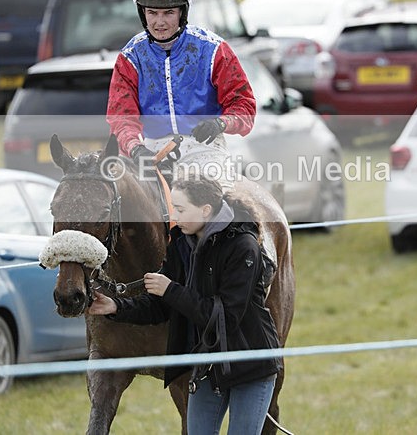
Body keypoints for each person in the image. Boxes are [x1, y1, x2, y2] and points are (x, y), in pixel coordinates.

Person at [86, 176, 281, 435]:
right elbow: (161, 306)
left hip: (250, 367)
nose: (174, 217)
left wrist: (171, 289)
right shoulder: (180, 243)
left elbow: (224, 317)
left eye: (180, 209)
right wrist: (116, 307)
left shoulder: (243, 246)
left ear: (205, 210)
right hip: (206, 368)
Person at [106, 0, 256, 188]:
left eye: (168, 13)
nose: (159, 22)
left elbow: (244, 107)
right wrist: (135, 147)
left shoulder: (214, 50)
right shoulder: (130, 57)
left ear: (182, 13)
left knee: (218, 207)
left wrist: (220, 124)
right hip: (150, 151)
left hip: (204, 149)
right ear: (142, 14)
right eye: (152, 13)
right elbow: (121, 117)